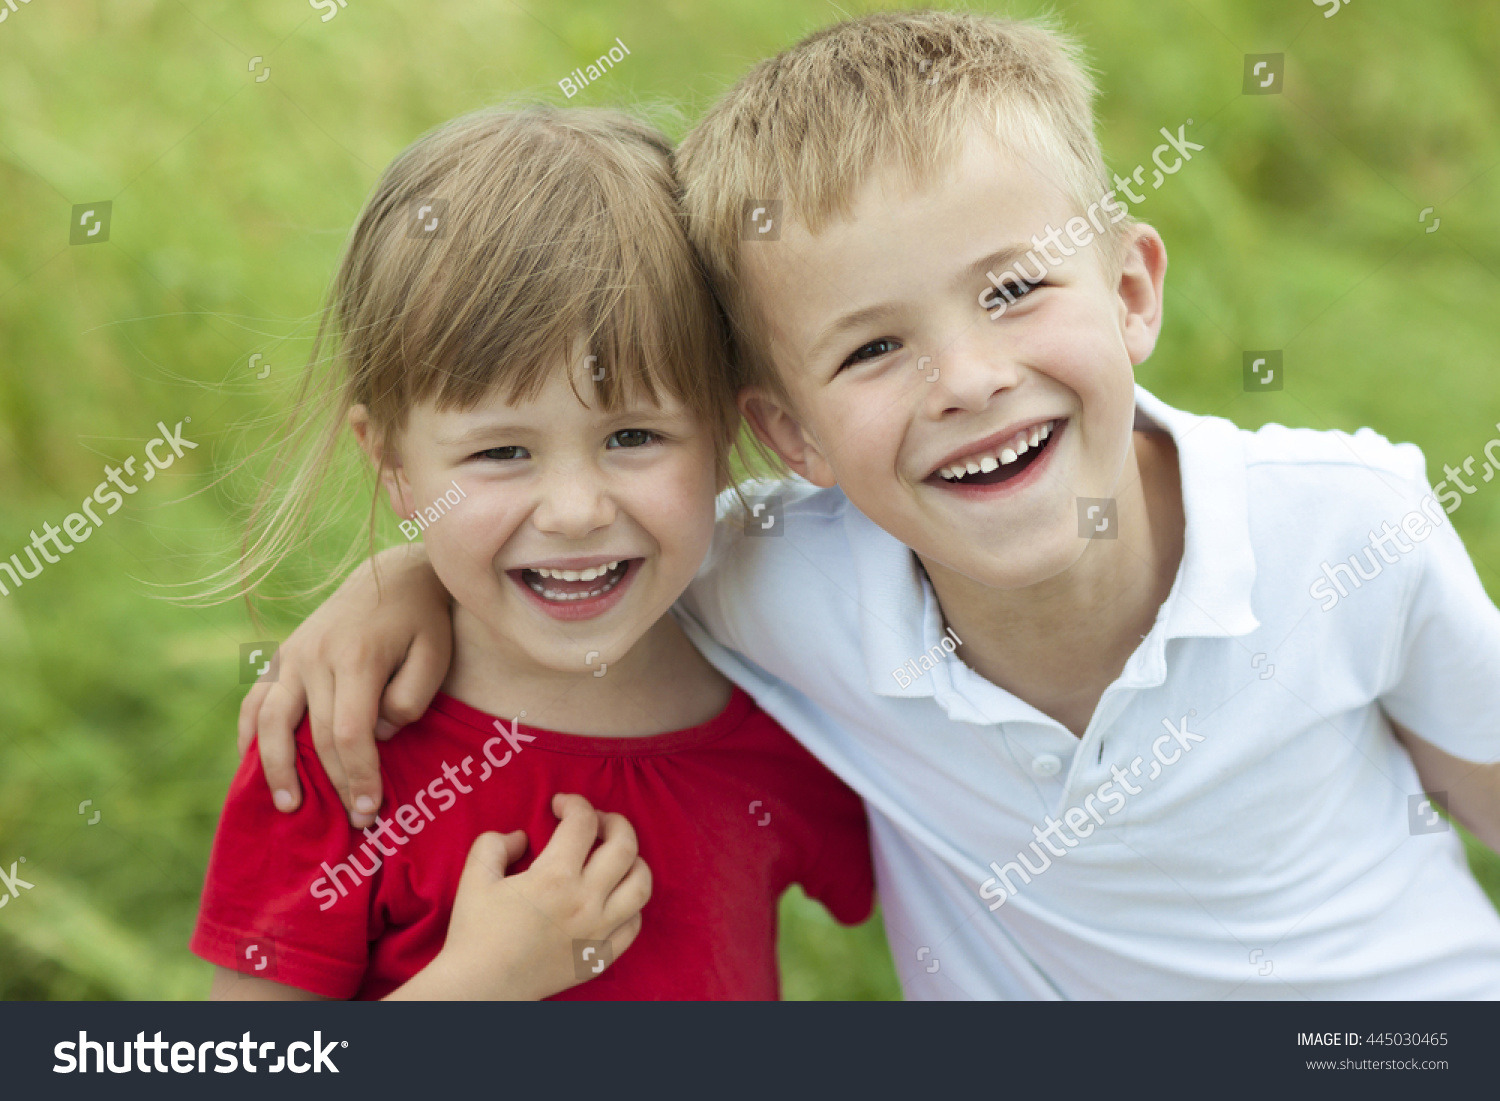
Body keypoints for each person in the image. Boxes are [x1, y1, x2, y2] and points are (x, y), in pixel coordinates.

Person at [243, 11, 1500, 998]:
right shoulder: (775, 588)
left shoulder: (1348, 524)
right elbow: (599, 535)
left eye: (1012, 290)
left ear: (1129, 291)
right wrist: (400, 574)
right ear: (789, 437)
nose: (967, 380)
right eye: (869, 351)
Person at [191, 105, 874, 1001]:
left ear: (723, 428)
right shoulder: (335, 737)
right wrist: (476, 988)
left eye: (633, 435)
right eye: (502, 452)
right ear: (393, 465)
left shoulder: (792, 694)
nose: (576, 510)